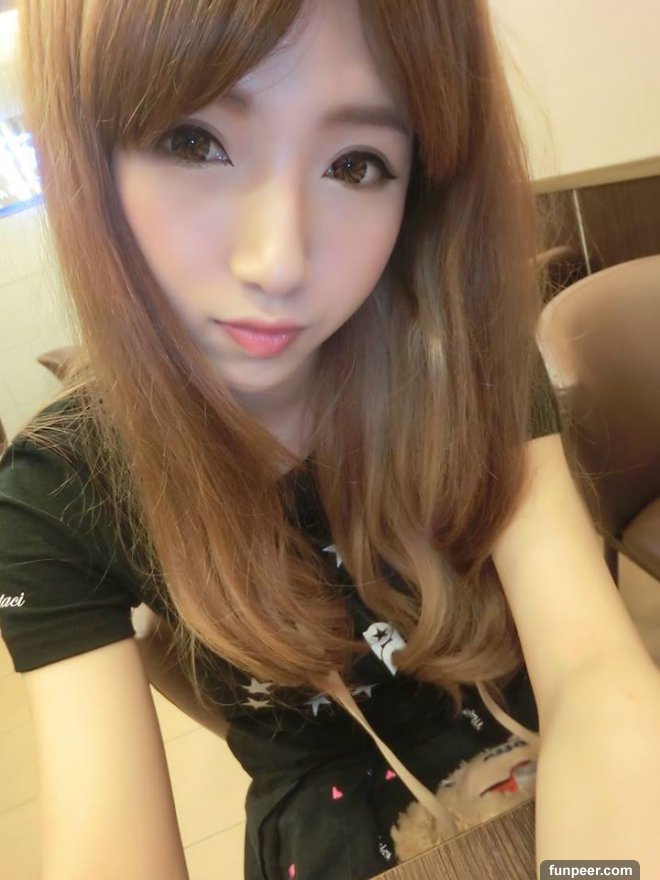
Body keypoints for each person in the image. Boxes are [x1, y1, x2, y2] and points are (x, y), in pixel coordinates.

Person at [2, 1, 660, 878]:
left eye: (356, 164)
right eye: (194, 142)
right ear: (88, 156)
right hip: (331, 824)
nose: (277, 261)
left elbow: (589, 665)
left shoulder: (462, 357)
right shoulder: (55, 487)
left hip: (555, 763)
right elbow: (104, 844)